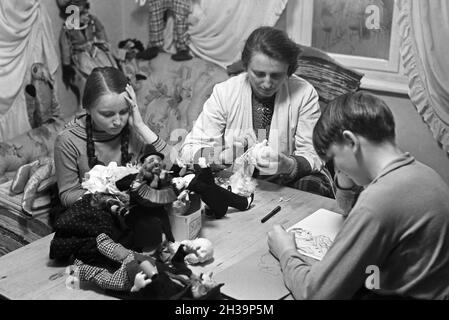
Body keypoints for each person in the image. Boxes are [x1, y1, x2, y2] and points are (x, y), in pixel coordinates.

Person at [267, 91, 449, 300]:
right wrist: (347, 177)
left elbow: (316, 295)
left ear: (351, 142)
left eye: (333, 158)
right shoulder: (425, 173)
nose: (336, 167)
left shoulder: (380, 200)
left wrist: (286, 252)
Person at [179, 26, 333, 198]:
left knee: (315, 184)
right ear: (246, 66)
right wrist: (222, 157)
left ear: (288, 71)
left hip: (285, 182)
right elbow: (189, 150)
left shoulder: (304, 93)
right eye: (259, 74)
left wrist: (288, 165)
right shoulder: (225, 92)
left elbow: (314, 153)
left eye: (276, 75)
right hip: (235, 181)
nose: (267, 84)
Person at [54, 66, 169, 208]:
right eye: (107, 114)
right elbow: (67, 195)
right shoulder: (68, 140)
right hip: (94, 210)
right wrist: (111, 197)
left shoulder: (134, 129)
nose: (118, 121)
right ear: (88, 109)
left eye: (124, 111)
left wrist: (141, 126)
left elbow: (172, 167)